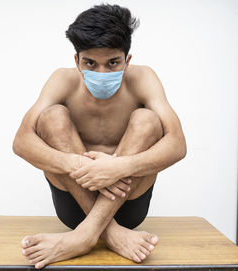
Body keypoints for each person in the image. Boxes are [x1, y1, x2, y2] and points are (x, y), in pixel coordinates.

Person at [13, 3, 186, 270]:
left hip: (129, 202)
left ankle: (85, 235)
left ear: (127, 60)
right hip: (73, 205)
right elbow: (22, 141)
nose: (101, 73)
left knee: (147, 120)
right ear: (76, 61)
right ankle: (108, 233)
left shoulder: (143, 78)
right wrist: (79, 165)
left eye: (113, 62)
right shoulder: (62, 80)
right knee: (51, 116)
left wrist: (119, 166)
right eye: (90, 63)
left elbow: (177, 145)